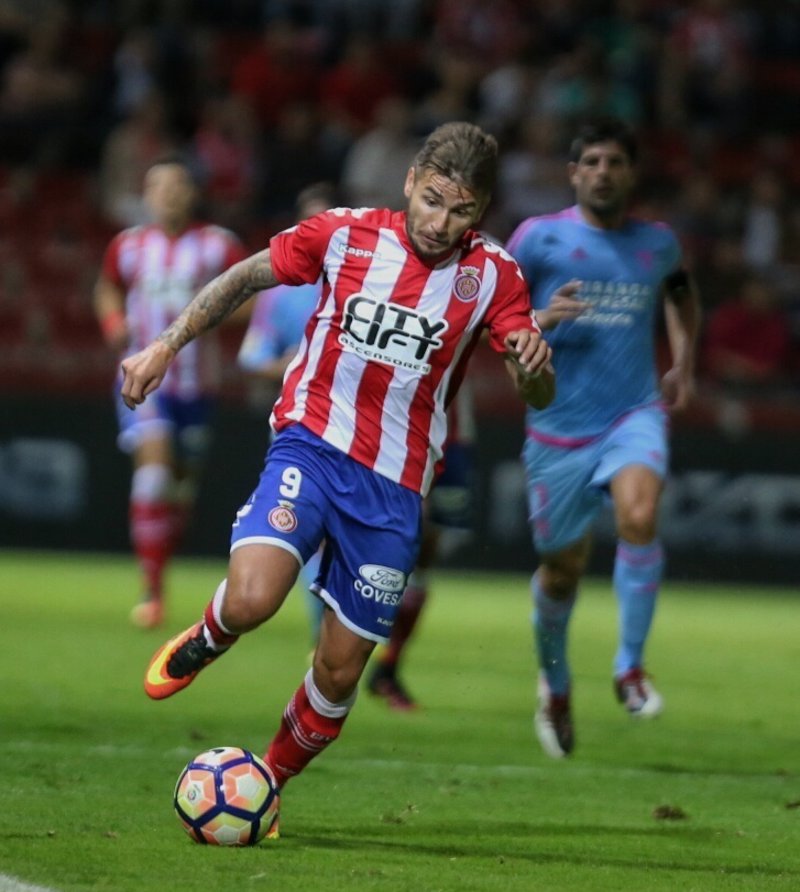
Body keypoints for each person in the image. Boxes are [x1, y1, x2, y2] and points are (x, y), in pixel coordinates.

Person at [119, 122, 555, 824]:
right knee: (256, 599)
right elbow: (244, 275)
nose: (442, 223)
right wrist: (164, 347)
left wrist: (536, 368)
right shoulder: (346, 234)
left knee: (340, 672)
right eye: (434, 200)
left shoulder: (495, 278)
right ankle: (210, 633)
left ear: (482, 212)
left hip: (394, 491)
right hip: (312, 447)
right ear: (411, 181)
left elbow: (534, 385)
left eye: (462, 210)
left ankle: (266, 783)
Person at [506, 117, 700, 759]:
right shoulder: (539, 239)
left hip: (633, 414)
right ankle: (555, 686)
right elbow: (493, 319)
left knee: (640, 515)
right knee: (561, 573)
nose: (603, 172)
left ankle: (629, 667)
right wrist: (538, 318)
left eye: (615, 161)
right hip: (557, 429)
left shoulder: (658, 244)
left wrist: (684, 359)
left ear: (631, 172)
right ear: (573, 173)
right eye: (591, 161)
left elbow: (681, 294)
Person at [94, 155, 249, 629]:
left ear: (192, 193)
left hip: (197, 385)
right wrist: (114, 322)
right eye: (158, 187)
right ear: (145, 195)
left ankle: (158, 567)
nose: (168, 195)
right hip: (145, 378)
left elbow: (251, 300)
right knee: (155, 472)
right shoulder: (128, 245)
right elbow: (107, 288)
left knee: (180, 490)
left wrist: (208, 315)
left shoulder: (217, 247)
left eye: (177, 186)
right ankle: (152, 591)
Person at [366, 384, 476, 711]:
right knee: (400, 543)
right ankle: (343, 652)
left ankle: (389, 665)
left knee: (425, 555)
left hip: (454, 437)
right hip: (402, 432)